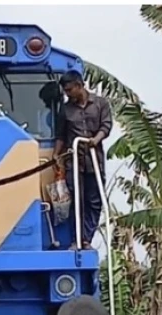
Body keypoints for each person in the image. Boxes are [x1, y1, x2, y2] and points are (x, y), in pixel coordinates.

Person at [54, 70, 112, 248]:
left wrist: (96, 139)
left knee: (94, 202)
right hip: (74, 163)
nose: (68, 94)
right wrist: (56, 155)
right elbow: (61, 135)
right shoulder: (66, 109)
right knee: (76, 202)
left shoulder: (100, 104)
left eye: (70, 90)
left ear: (79, 86)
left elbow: (106, 125)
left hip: (94, 161)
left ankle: (86, 238)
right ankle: (76, 239)